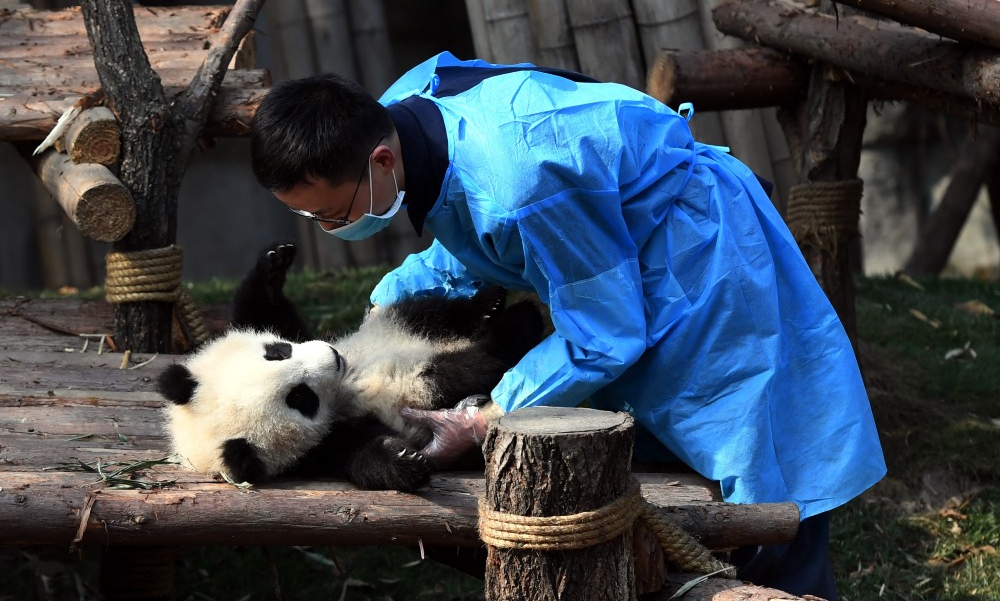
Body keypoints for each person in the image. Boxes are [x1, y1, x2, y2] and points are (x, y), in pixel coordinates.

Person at [250, 51, 886, 599]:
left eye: (332, 214)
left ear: (381, 162)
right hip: (614, 260)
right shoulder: (402, 111)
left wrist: (479, 418)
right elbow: (463, 221)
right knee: (637, 451)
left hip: (702, 267)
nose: (330, 228)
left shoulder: (526, 179)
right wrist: (387, 308)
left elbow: (603, 334)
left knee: (758, 472)